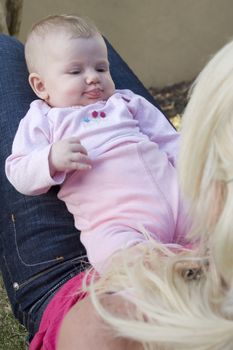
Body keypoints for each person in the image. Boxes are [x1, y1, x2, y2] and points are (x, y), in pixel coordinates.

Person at [0, 20, 179, 350]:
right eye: (75, 71)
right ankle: (142, 292)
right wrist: (50, 160)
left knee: (210, 232)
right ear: (41, 87)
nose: (94, 77)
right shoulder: (43, 119)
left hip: (178, 199)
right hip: (117, 221)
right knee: (124, 259)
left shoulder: (126, 102)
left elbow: (170, 141)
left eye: (101, 66)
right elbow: (18, 170)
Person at [79, 39, 233, 350]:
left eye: (101, 70)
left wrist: (49, 161)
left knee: (9, 52)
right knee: (84, 42)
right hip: (176, 235)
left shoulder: (108, 326)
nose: (94, 78)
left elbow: (19, 169)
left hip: (104, 235)